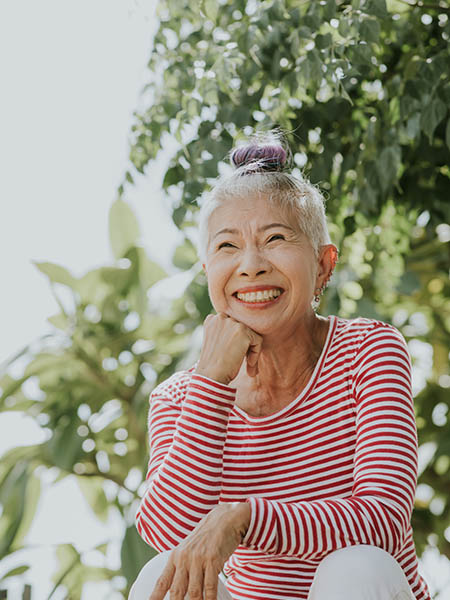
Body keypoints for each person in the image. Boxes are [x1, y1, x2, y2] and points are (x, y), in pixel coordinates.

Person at [129, 133, 431, 600]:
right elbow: (168, 534)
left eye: (275, 239)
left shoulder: (368, 351)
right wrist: (210, 383)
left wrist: (243, 517)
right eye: (227, 247)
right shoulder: (178, 397)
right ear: (207, 271)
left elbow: (384, 521)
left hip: (363, 590)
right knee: (162, 575)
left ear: (323, 264)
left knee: (354, 568)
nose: (250, 265)